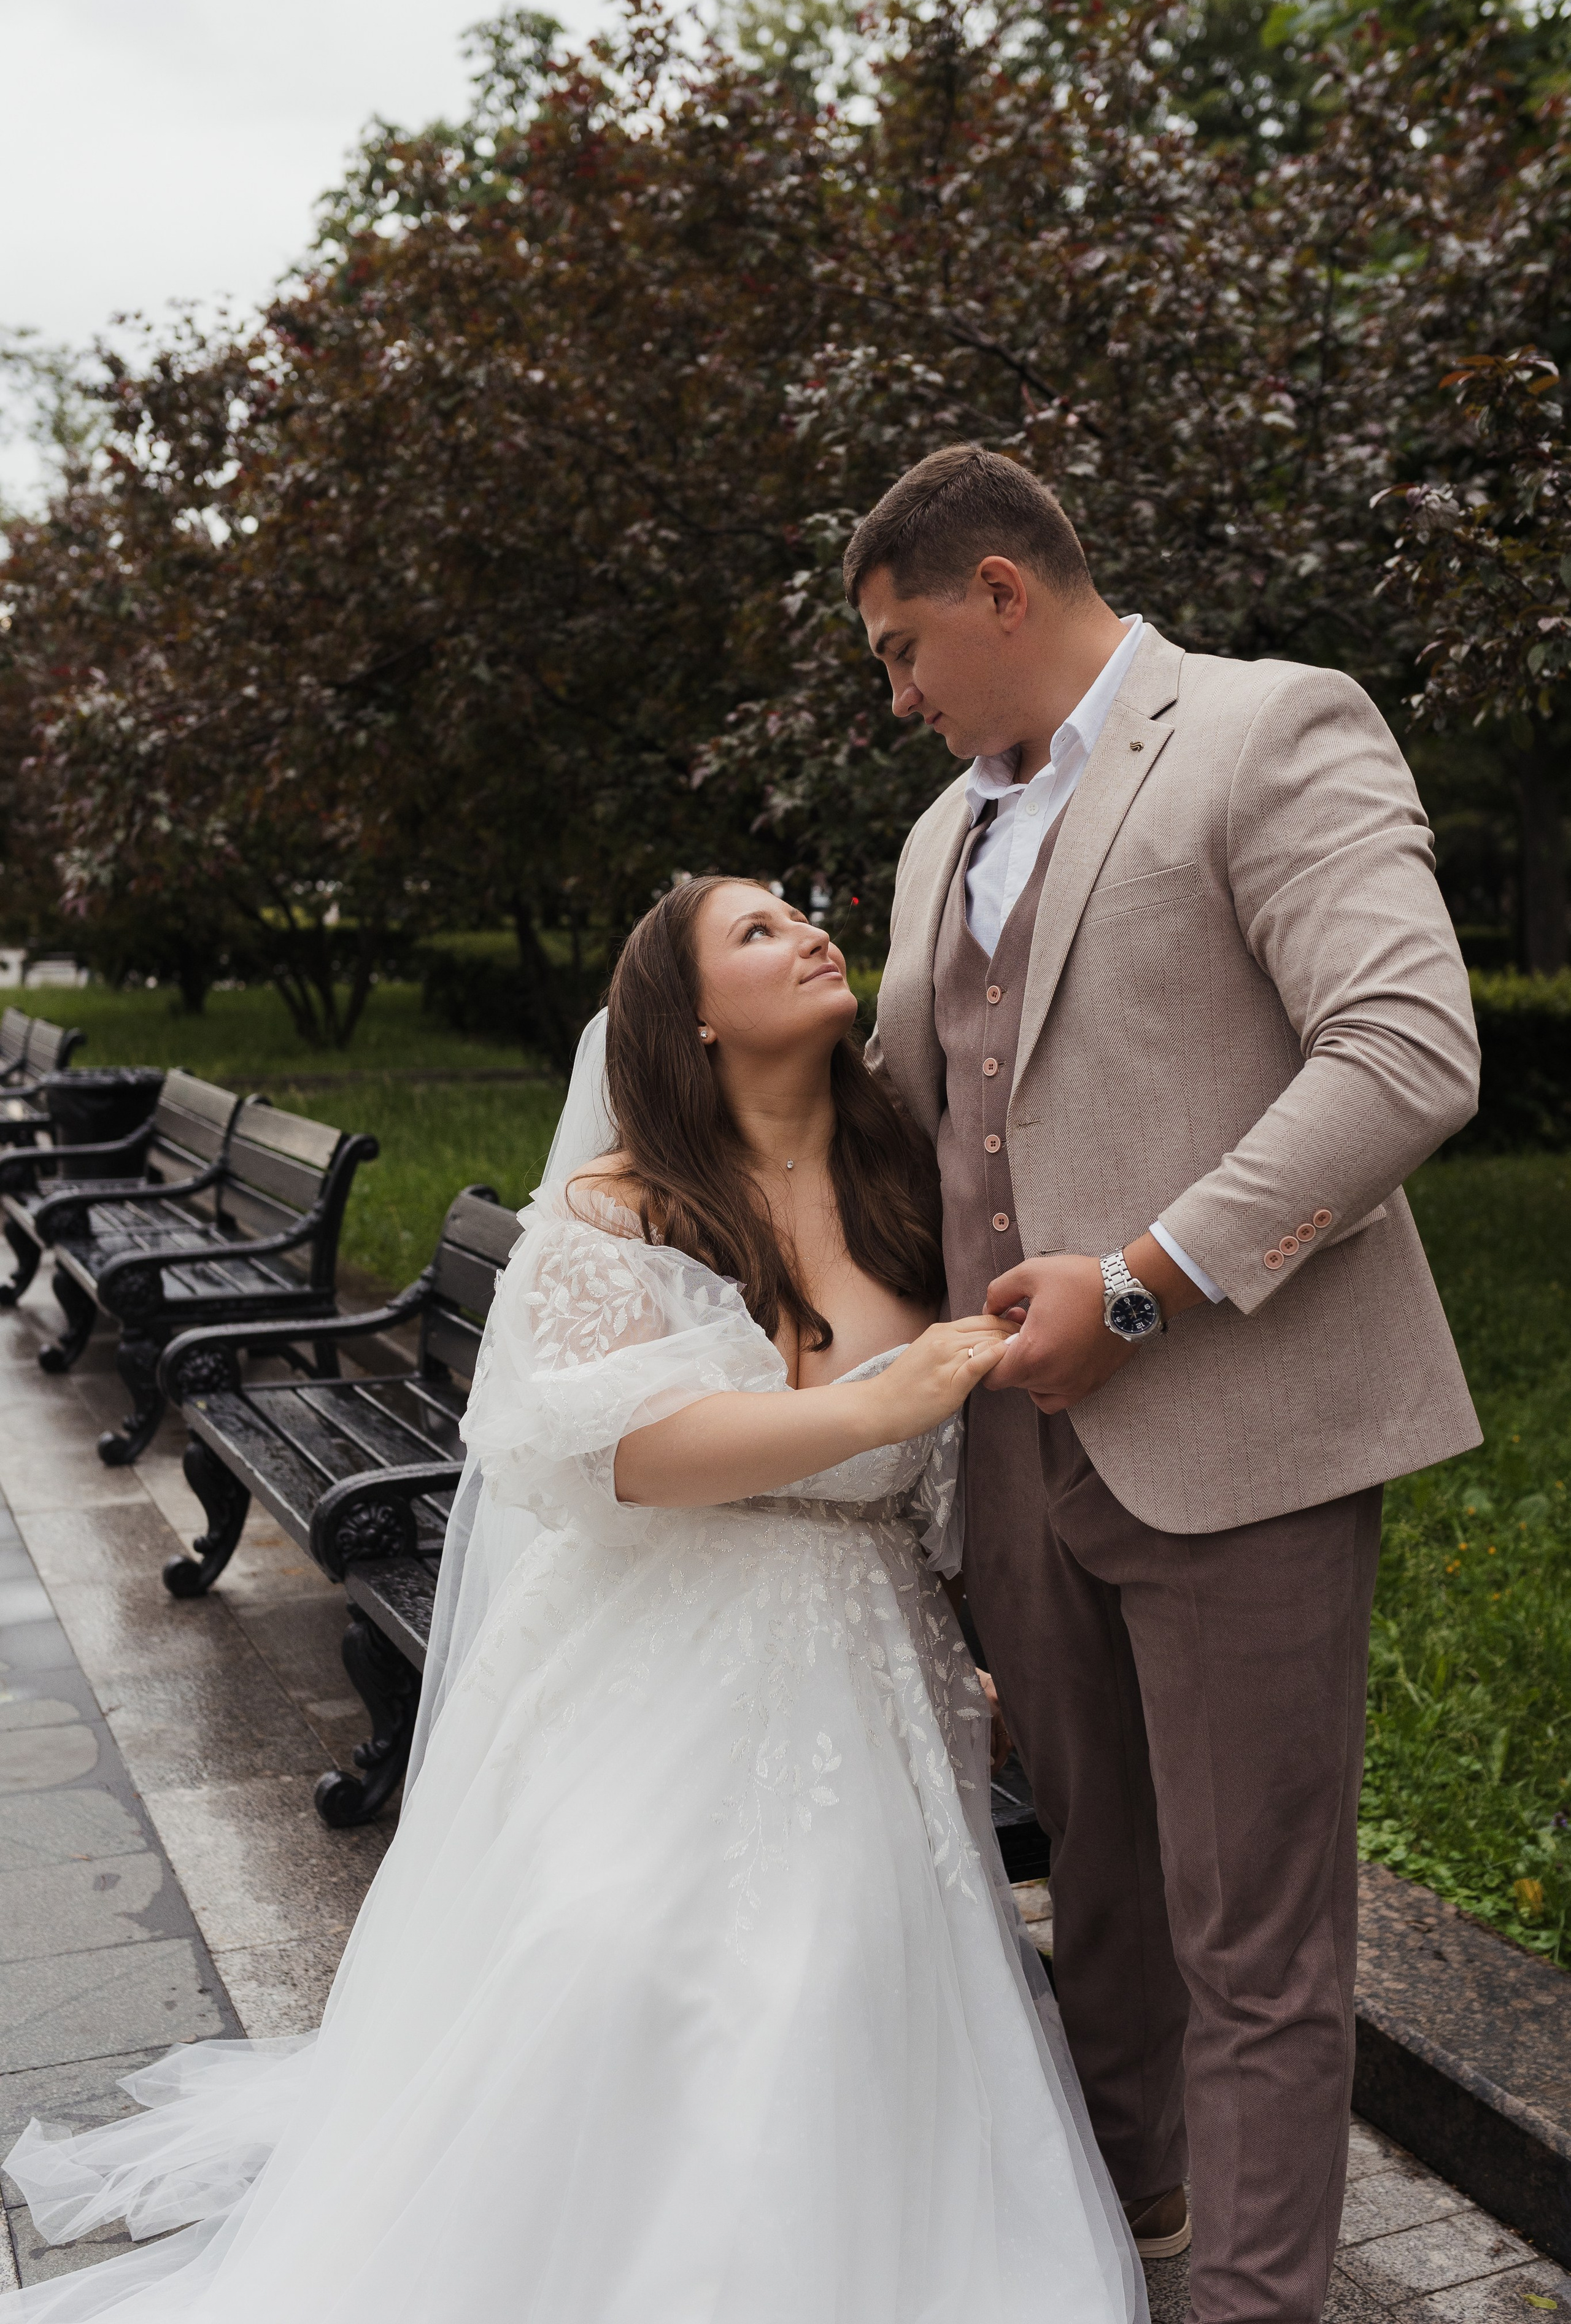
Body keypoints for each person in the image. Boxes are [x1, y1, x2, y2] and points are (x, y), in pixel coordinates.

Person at [0, 877, 1149, 2324]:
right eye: (756, 932)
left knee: (849, 1970)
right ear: (693, 1019)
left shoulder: (909, 1189)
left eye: (800, 917)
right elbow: (627, 1452)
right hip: (664, 1635)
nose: (807, 934)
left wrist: (974, 1653)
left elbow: (960, 1479)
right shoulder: (620, 1204)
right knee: (617, 1941)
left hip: (868, 1645)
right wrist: (876, 1402)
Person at [853, 444, 1483, 2324]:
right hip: (1006, 1457)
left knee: (1255, 1938)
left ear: (1001, 589)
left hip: (1242, 1433)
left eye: (901, 649)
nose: (899, 697)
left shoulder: (1270, 730)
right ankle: (1116, 2232)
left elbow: (1407, 1053)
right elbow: (926, 1120)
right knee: (1104, 1895)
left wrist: (1137, 1287)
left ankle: (1258, 2301)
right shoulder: (939, 832)